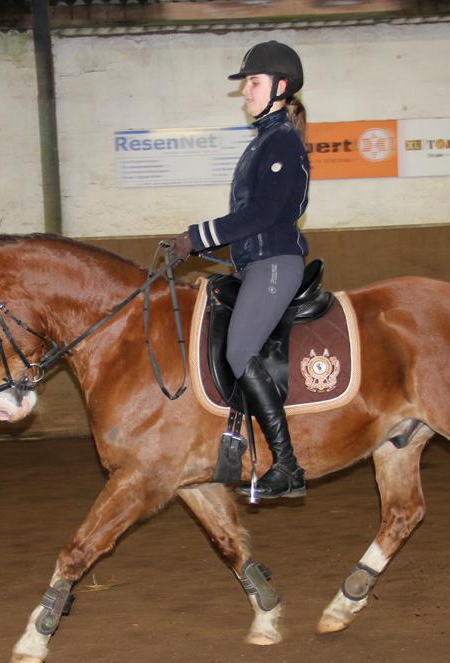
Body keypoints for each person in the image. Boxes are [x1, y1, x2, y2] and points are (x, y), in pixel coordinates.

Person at [171, 40, 310, 500]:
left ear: (280, 86)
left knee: (239, 351)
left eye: (252, 82)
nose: (246, 92)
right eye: (248, 83)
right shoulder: (265, 141)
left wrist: (197, 236)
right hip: (256, 263)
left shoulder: (281, 142)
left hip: (275, 264)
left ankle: (287, 465)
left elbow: (261, 215)